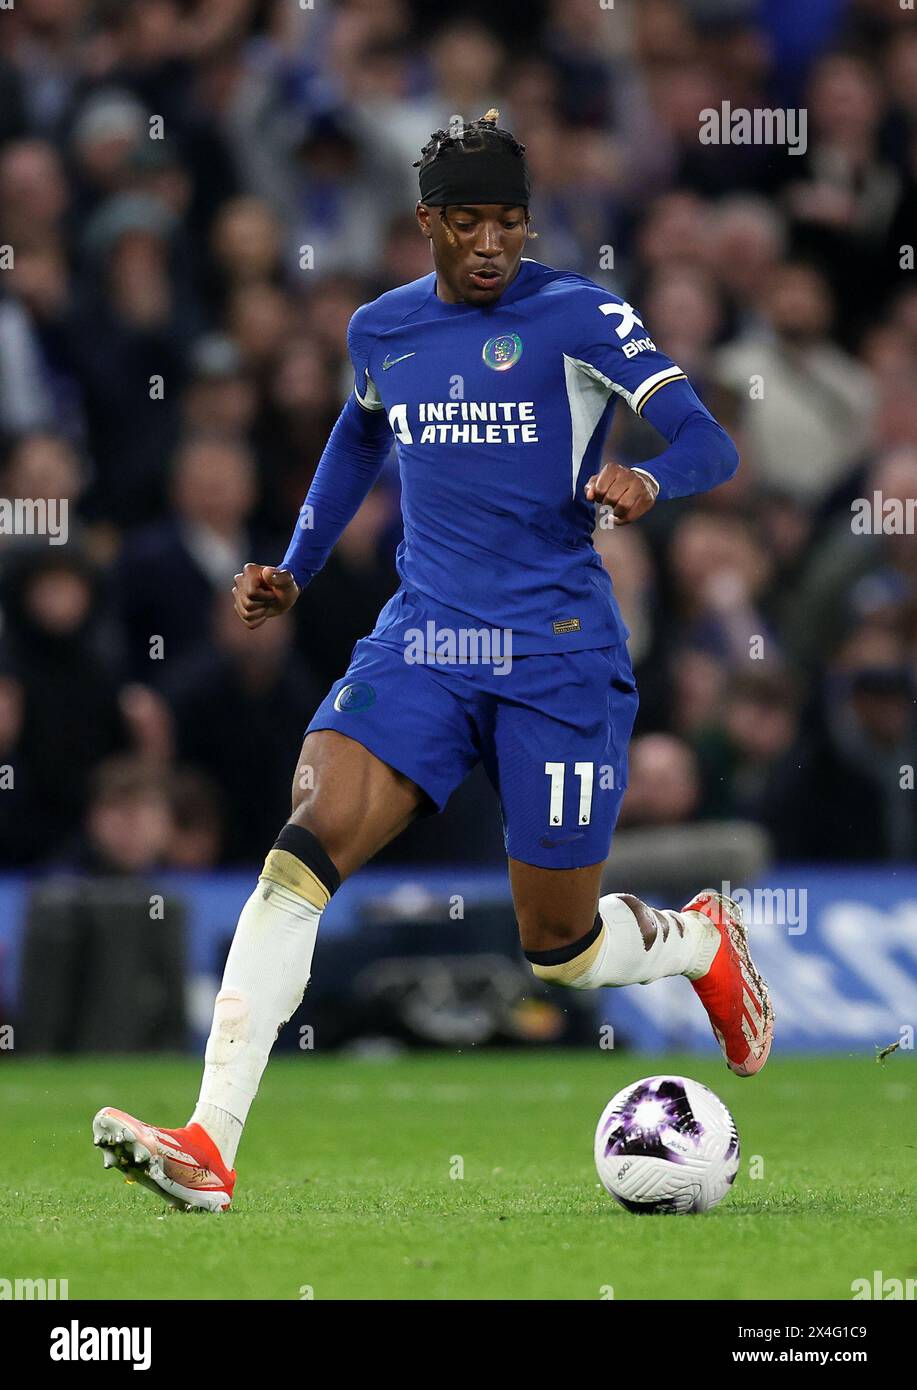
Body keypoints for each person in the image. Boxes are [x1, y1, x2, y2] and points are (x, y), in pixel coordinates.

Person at [92, 111, 772, 1212]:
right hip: (424, 641)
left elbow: (709, 438)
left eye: (509, 220)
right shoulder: (382, 331)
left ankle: (696, 942)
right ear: (427, 224)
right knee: (299, 852)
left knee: (556, 947)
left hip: (557, 652)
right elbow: (359, 434)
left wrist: (649, 482)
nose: (493, 241)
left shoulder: (584, 316)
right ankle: (211, 1142)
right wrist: (297, 565)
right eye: (469, 221)